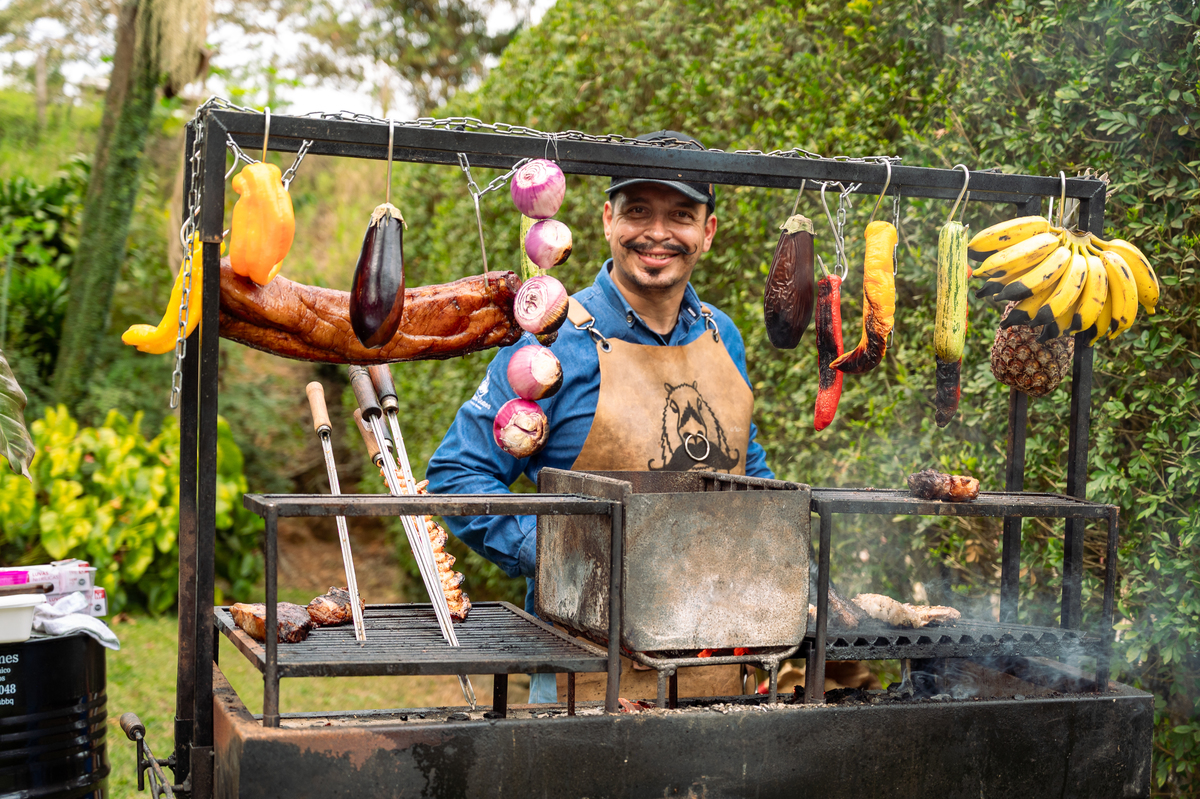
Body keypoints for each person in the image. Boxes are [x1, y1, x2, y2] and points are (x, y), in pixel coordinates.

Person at [426, 131, 774, 703]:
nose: (657, 233)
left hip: (719, 662)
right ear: (608, 220)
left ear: (707, 232)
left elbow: (745, 466)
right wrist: (559, 554)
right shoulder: (548, 343)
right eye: (638, 211)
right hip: (586, 677)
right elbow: (458, 476)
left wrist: (779, 556)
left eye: (681, 215)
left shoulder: (722, 334)